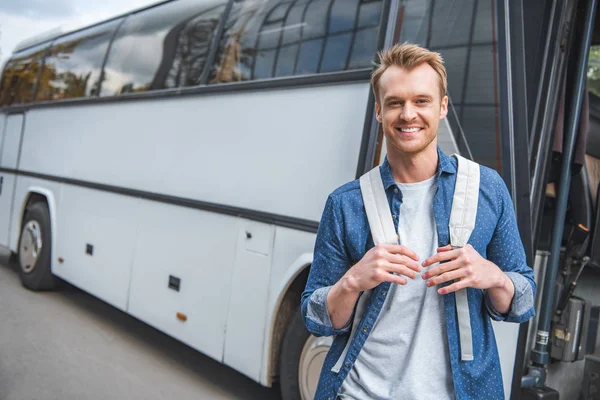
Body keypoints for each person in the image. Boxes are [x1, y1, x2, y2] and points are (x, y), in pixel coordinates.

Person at [301, 43, 536, 400]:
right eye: (395, 102)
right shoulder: (345, 203)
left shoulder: (487, 188)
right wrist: (351, 281)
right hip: (359, 392)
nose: (408, 114)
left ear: (442, 107)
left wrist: (495, 277)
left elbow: (522, 302)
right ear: (379, 112)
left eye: (421, 101)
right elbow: (316, 316)